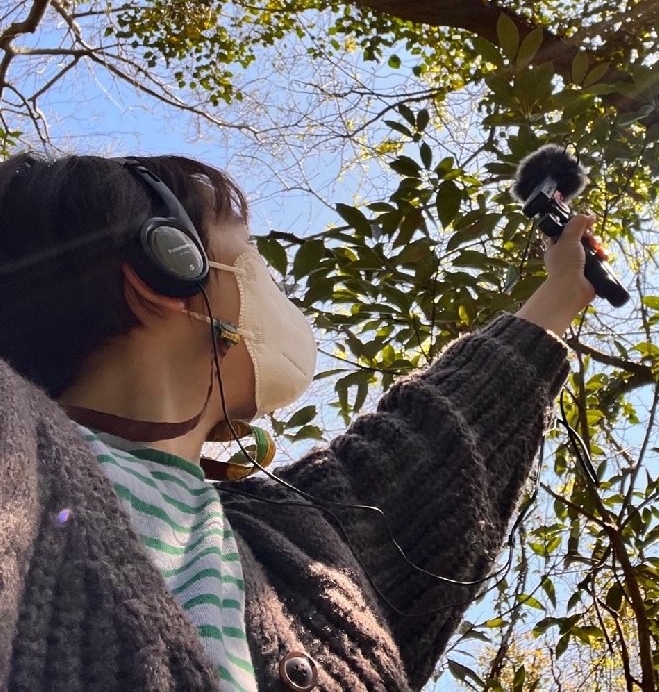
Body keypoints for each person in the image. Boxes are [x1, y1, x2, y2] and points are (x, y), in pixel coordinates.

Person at [0, 152, 596, 692]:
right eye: (254, 257)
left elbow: (432, 444)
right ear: (167, 267)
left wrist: (562, 290)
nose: (278, 292)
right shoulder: (14, 437)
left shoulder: (291, 540)